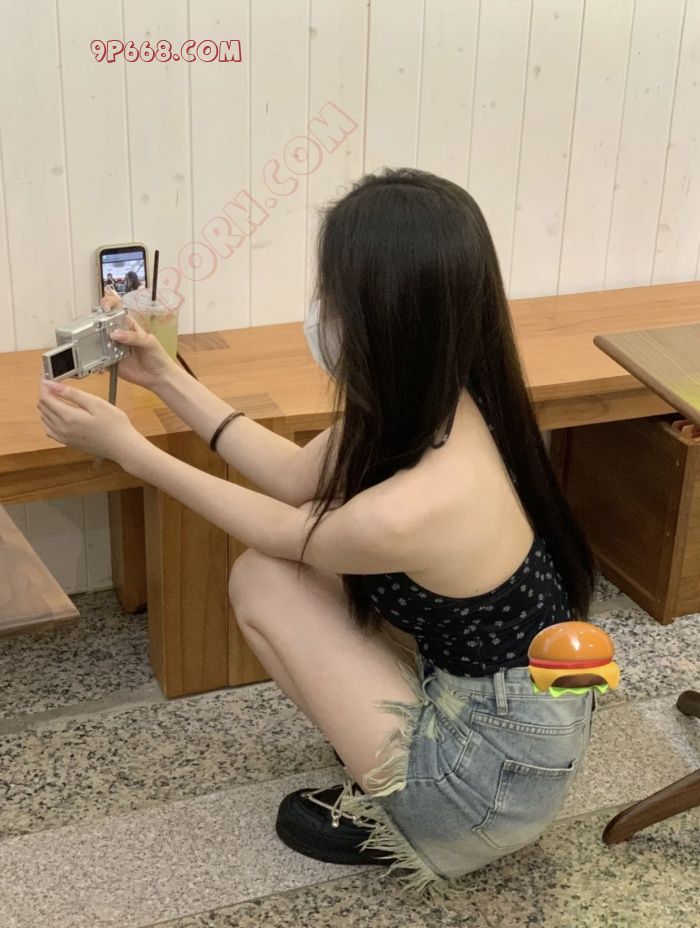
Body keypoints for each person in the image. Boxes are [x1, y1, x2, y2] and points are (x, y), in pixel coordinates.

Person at [37, 167, 598, 899]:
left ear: (379, 316)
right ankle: (393, 750)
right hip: (523, 728)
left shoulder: (420, 502)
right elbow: (293, 476)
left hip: (486, 793)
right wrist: (166, 377)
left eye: (330, 295)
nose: (318, 313)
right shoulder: (446, 404)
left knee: (264, 578)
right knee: (277, 570)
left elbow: (283, 529)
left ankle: (413, 816)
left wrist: (130, 451)